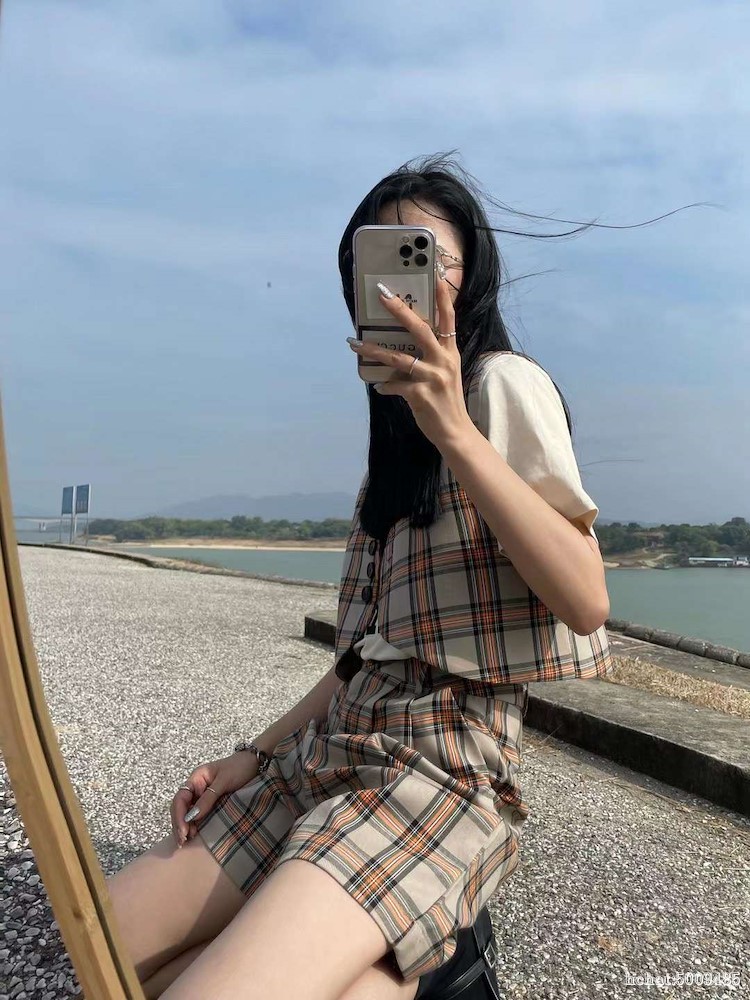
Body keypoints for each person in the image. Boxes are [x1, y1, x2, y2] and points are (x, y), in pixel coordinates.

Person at [105, 153, 613, 1000]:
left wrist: (456, 431)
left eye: (423, 258)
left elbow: (587, 599)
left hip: (437, 772)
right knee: (94, 949)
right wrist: (251, 754)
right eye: (373, 266)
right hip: (329, 749)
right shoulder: (392, 452)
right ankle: (408, 951)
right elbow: (365, 654)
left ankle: (418, 945)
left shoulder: (502, 388)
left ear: (468, 277)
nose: (398, 289)